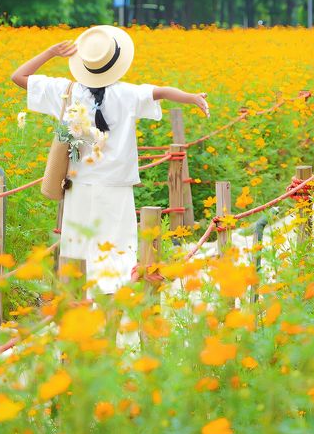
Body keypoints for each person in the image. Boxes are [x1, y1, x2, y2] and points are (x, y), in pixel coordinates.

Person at [11, 25, 209, 294]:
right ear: (115, 62)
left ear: (84, 64)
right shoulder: (126, 93)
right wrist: (192, 98)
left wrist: (51, 52)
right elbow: (161, 92)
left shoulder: (65, 90)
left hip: (79, 186)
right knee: (118, 250)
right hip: (116, 186)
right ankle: (116, 303)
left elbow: (19, 76)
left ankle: (80, 304)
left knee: (78, 245)